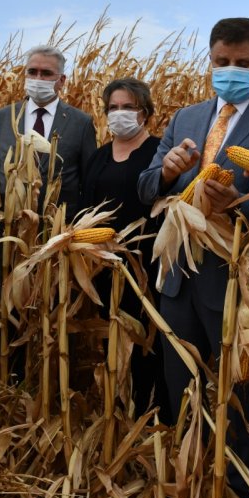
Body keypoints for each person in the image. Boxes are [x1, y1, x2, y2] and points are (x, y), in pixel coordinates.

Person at [137, 17, 249, 498]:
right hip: (179, 276)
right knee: (181, 382)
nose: (230, 71)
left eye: (243, 64)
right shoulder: (185, 119)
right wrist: (168, 174)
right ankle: (189, 475)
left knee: (243, 392)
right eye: (221, 62)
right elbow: (147, 187)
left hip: (240, 282)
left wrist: (237, 200)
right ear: (209, 60)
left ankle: (234, 485)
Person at [81, 78, 169, 417]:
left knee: (147, 339)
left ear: (144, 113)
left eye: (128, 108)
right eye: (113, 108)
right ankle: (118, 408)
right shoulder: (100, 156)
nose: (119, 114)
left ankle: (152, 413)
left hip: (146, 264)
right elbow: (87, 206)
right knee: (112, 331)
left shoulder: (157, 152)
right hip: (105, 262)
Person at [0, 45, 97, 219]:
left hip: (56, 229)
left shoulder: (81, 123)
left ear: (61, 81)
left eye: (46, 73)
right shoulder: (3, 117)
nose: (38, 78)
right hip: (7, 227)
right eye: (32, 72)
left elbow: (89, 181)